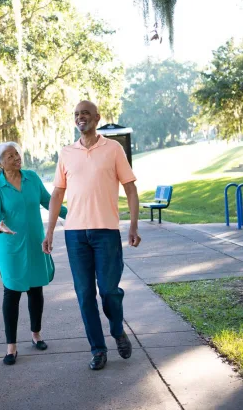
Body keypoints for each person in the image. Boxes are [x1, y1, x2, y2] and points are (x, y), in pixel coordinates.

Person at [42, 101, 141, 371]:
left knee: (109, 291)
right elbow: (57, 194)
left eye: (85, 113)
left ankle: (118, 330)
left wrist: (133, 225)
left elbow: (130, 189)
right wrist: (49, 231)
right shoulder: (66, 152)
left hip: (106, 232)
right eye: (76, 114)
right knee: (85, 294)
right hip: (75, 235)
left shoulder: (113, 149)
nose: (80, 117)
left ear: (97, 118)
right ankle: (97, 349)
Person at [0, 142, 67, 365]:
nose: (16, 158)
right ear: (0, 163)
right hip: (11, 247)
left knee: (35, 290)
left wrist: (71, 214)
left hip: (35, 243)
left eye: (17, 154)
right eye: (10, 156)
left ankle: (36, 335)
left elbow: (49, 202)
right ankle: (11, 347)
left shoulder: (31, 178)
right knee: (11, 294)